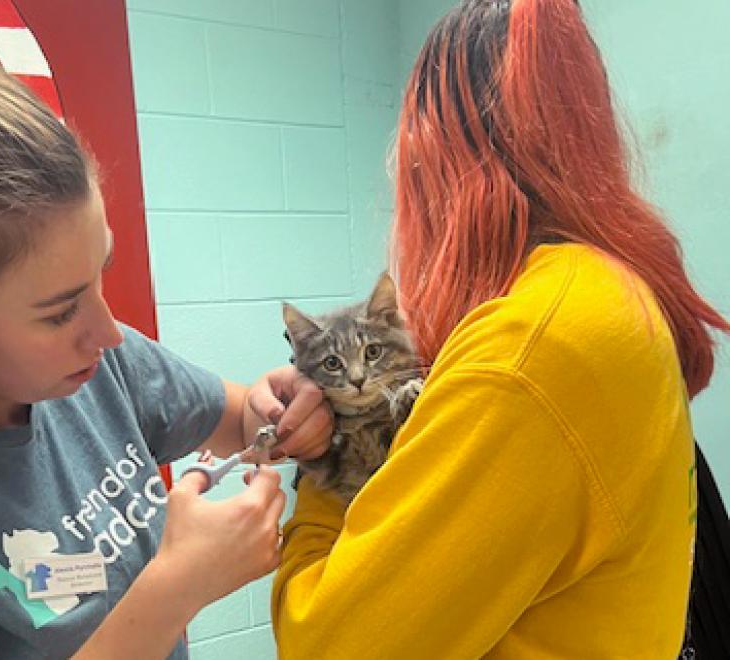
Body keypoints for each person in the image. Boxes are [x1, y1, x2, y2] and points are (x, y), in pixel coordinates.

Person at [272, 1, 730, 658]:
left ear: (431, 161)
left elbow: (325, 644)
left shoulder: (527, 350)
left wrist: (321, 471)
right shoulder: (608, 291)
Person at [0, 47, 332, 660]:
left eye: (102, 274)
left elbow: (240, 419)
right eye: (60, 311)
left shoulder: (100, 366)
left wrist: (279, 410)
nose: (110, 333)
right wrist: (176, 590)